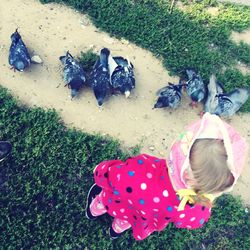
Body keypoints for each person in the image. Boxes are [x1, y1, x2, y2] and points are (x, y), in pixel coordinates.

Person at [85, 113, 248, 240]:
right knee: (128, 219)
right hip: (142, 216)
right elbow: (192, 222)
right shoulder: (198, 208)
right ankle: (117, 229)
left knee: (104, 200)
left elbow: (109, 174)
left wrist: (99, 170)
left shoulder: (141, 168)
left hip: (118, 202)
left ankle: (93, 211)